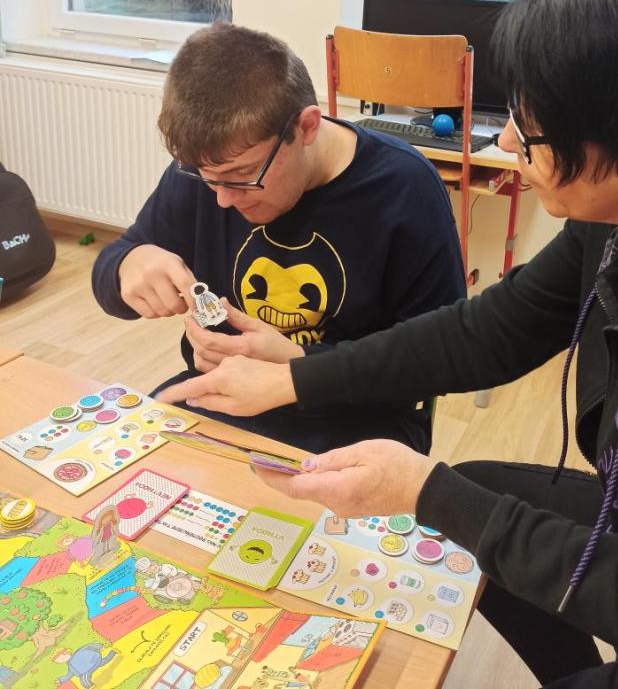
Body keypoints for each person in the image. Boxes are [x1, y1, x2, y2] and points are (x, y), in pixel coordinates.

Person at [160, 0, 618, 688]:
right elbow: (489, 332)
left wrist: (424, 491)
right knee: (479, 494)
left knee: (463, 505)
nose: (507, 141)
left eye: (532, 130)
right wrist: (298, 375)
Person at [93, 24, 465, 454]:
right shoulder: (211, 169)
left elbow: (440, 360)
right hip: (222, 396)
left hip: (359, 420)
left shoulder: (405, 188)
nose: (222, 199)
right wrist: (126, 266)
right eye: (207, 177)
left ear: (306, 127)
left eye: (242, 175)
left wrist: (300, 367)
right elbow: (112, 270)